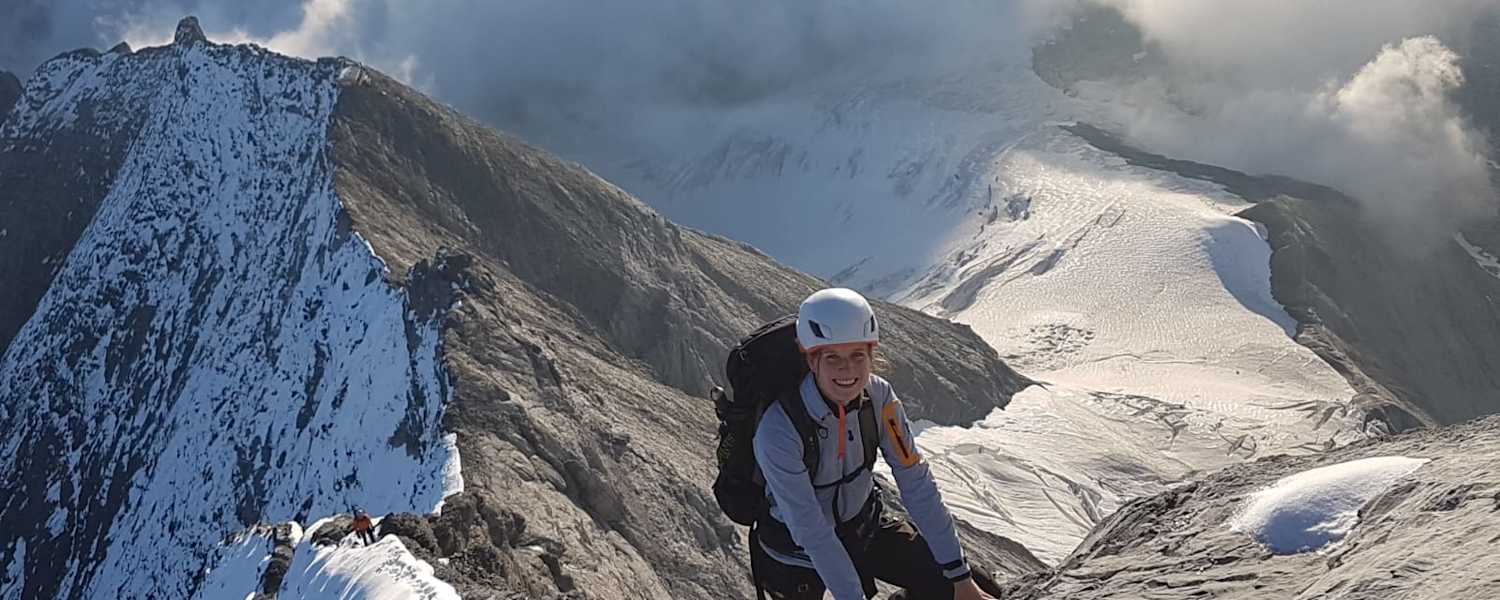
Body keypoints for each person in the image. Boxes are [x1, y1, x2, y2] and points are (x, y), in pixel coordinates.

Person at [752, 288, 997, 600]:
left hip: (863, 527)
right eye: (833, 358)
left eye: (858, 355)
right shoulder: (778, 430)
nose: (848, 370)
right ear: (811, 360)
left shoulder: (879, 398)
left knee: (977, 588)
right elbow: (811, 530)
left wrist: (961, 579)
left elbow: (917, 483)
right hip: (797, 552)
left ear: (871, 355)